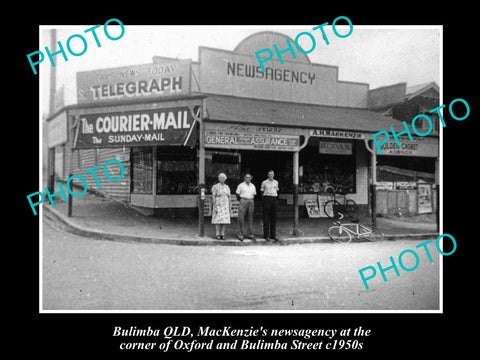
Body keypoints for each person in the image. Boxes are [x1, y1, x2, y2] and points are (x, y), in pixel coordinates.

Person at [235, 173, 256, 241]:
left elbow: (254, 194)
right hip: (243, 200)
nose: (248, 179)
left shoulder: (253, 186)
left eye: (249, 177)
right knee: (241, 217)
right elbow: (237, 195)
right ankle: (240, 234)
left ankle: (250, 234)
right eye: (246, 177)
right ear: (244, 178)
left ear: (251, 178)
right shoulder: (241, 185)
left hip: (251, 200)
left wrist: (250, 200)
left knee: (250, 217)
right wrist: (242, 200)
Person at [211, 173, 231, 240]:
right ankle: (217, 234)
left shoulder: (227, 187)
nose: (222, 179)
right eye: (220, 177)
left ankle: (222, 234)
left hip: (225, 204)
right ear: (218, 178)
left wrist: (229, 206)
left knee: (224, 220)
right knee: (217, 220)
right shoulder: (215, 186)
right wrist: (215, 206)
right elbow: (213, 197)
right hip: (218, 204)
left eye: (223, 177)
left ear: (225, 179)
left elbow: (229, 197)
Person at [261, 170, 279, 241]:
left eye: (272, 174)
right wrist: (264, 200)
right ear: (268, 175)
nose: (271, 175)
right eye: (269, 174)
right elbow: (262, 191)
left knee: (273, 217)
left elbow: (276, 190)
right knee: (266, 218)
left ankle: (273, 235)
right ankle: (266, 235)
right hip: (267, 198)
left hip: (274, 199)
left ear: (273, 175)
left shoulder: (276, 182)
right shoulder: (264, 182)